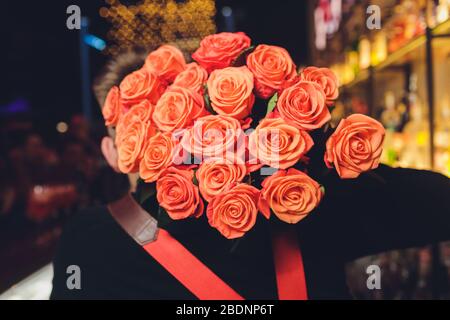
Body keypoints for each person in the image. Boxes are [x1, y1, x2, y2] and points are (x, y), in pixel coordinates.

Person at [50, 50, 450, 300]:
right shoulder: (302, 203)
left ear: (112, 151)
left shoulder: (87, 238)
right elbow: (434, 201)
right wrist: (324, 161)